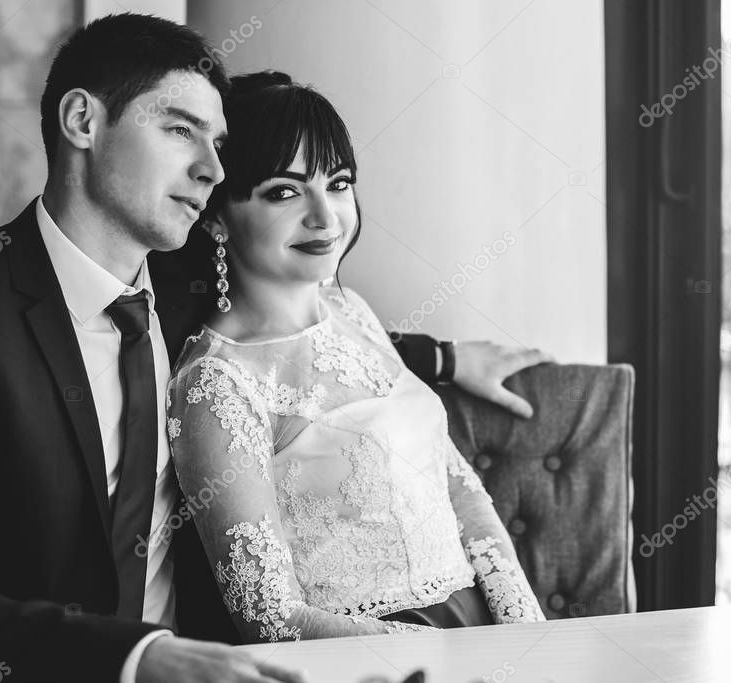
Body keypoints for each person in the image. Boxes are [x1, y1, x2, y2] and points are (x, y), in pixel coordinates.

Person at [0, 14, 550, 683]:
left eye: (219, 142)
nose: (211, 168)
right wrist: (136, 658)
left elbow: (301, 349)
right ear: (83, 121)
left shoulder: (183, 290)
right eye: (179, 130)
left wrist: (446, 359)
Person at [167, 71, 549, 644]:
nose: (325, 217)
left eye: (338, 183)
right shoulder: (217, 385)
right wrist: (442, 657)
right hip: (368, 657)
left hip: (479, 624)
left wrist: (522, 623)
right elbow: (267, 616)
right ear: (217, 214)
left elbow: (455, 482)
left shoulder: (353, 310)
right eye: (283, 192)